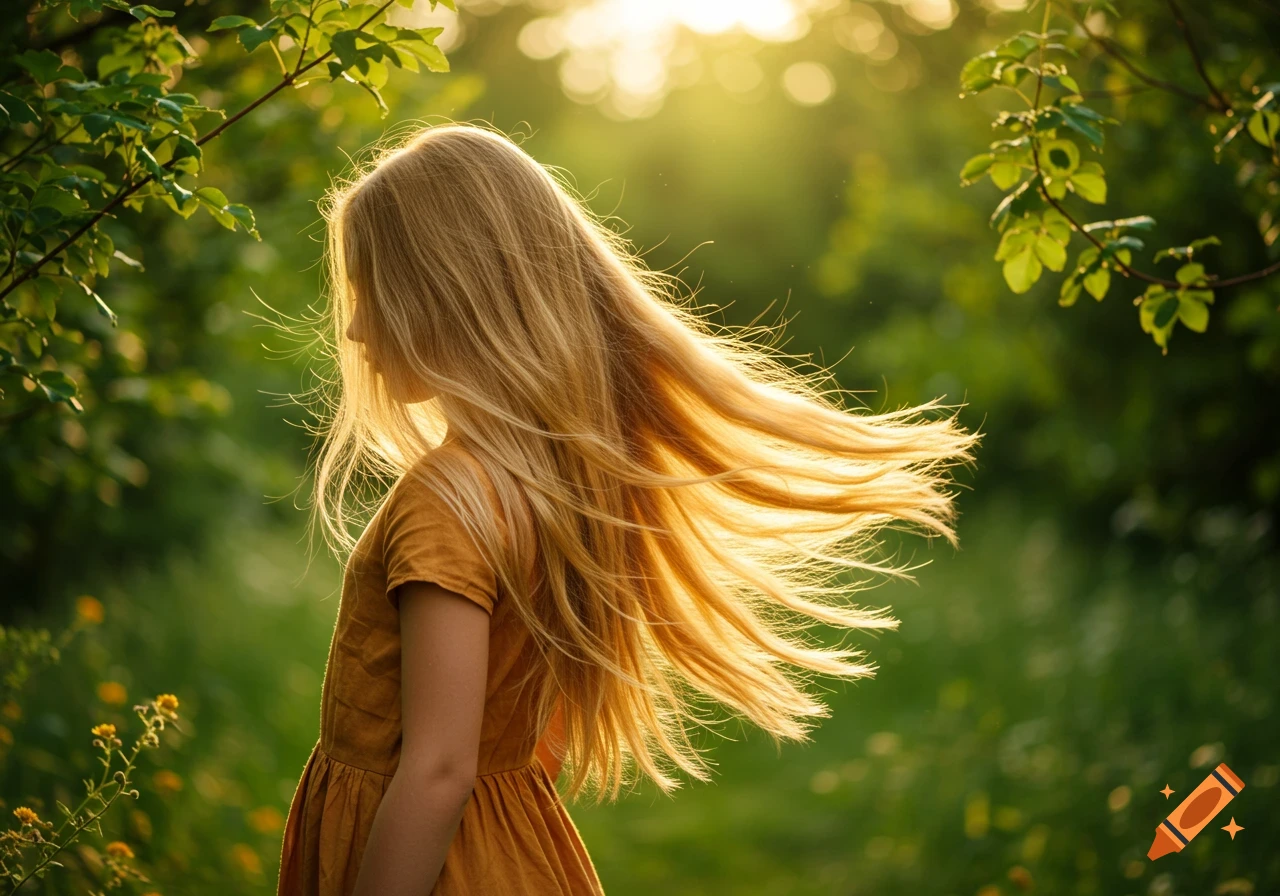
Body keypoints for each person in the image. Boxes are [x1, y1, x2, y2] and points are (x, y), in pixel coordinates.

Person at [274, 123, 982, 896]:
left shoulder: (444, 503)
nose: (351, 326)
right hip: (512, 852)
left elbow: (440, 770)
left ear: (444, 294)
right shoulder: (540, 484)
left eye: (371, 291)